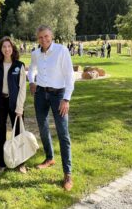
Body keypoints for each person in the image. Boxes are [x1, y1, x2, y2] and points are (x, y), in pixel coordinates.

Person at [28, 25, 75, 191]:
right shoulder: (35, 53)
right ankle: (49, 158)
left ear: (52, 36)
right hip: (40, 94)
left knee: (63, 133)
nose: (44, 40)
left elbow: (70, 76)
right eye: (40, 37)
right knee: (42, 127)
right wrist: (32, 81)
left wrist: (66, 99)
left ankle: (67, 173)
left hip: (58, 96)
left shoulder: (62, 51)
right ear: (37, 39)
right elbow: (31, 69)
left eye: (46, 36)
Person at [0, 37, 27, 175]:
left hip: (15, 103)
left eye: (9, 46)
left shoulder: (19, 65)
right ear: (1, 49)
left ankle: (21, 163)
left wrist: (20, 107)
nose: (7, 49)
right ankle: (1, 163)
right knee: (0, 133)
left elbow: (22, 87)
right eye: (4, 47)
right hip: (0, 102)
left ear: (13, 49)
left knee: (18, 133)